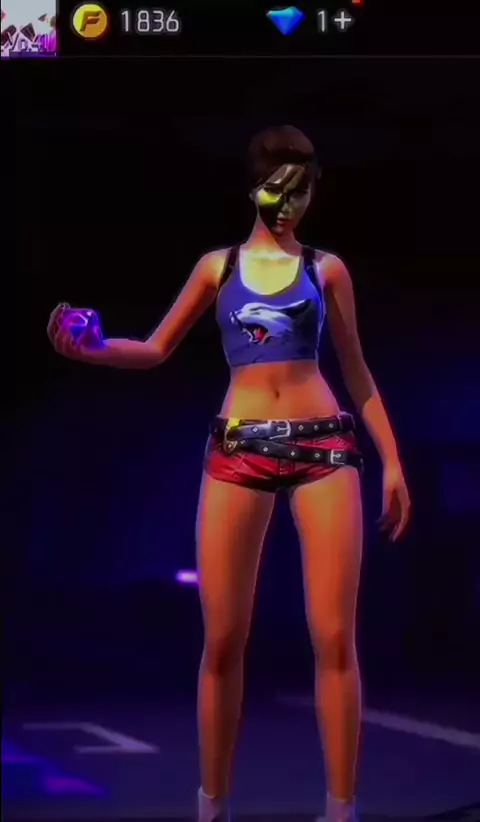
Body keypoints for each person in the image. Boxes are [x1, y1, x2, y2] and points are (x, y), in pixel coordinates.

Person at [47, 125, 411, 822]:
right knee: (221, 641)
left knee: (335, 638)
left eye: (303, 190)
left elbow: (358, 373)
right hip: (237, 449)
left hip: (324, 449)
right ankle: (211, 809)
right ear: (255, 188)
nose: (292, 203)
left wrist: (392, 459)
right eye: (280, 188)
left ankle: (342, 812)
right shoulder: (218, 267)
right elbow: (155, 348)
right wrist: (93, 350)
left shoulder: (327, 270)